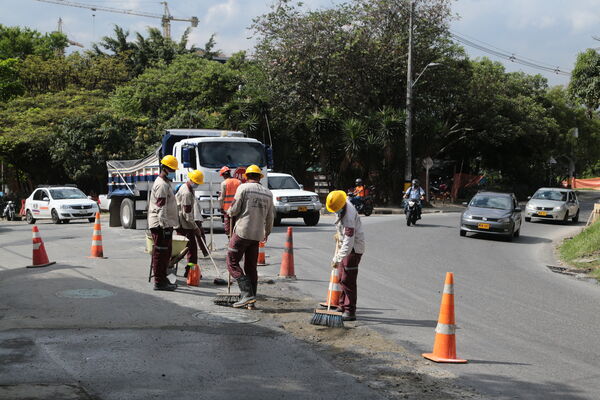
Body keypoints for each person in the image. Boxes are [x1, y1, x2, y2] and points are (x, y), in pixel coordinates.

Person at [226, 164, 274, 308]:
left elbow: (234, 210)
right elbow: (270, 217)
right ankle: (251, 300)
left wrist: (229, 212)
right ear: (260, 177)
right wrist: (267, 232)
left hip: (242, 232)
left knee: (231, 262)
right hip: (257, 235)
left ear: (246, 176)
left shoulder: (243, 188)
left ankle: (247, 294)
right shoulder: (268, 193)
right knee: (251, 267)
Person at [326, 190, 365, 321]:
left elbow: (349, 242)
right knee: (342, 278)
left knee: (348, 280)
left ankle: (349, 310)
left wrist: (337, 258)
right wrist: (338, 234)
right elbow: (339, 223)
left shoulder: (349, 215)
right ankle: (342, 305)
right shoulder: (341, 204)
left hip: (353, 249)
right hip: (346, 247)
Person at [148, 155, 180, 291]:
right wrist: (164, 226)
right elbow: (161, 207)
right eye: (172, 169)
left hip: (165, 224)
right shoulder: (161, 185)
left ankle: (163, 278)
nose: (174, 172)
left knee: (166, 253)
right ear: (165, 168)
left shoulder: (165, 182)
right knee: (160, 254)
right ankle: (159, 282)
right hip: (160, 225)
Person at [175, 170, 204, 278]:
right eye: (196, 182)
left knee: (188, 249)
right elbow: (187, 214)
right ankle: (190, 271)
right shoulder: (186, 192)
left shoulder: (189, 189)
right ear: (191, 180)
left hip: (185, 223)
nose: (197, 185)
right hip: (184, 224)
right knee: (189, 250)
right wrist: (195, 227)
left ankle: (190, 271)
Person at [218, 166, 241, 239]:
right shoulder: (238, 182)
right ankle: (235, 240)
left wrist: (221, 207)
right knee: (236, 226)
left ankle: (230, 240)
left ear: (223, 175)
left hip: (227, 209)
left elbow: (222, 198)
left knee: (228, 227)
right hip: (237, 208)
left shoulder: (224, 183)